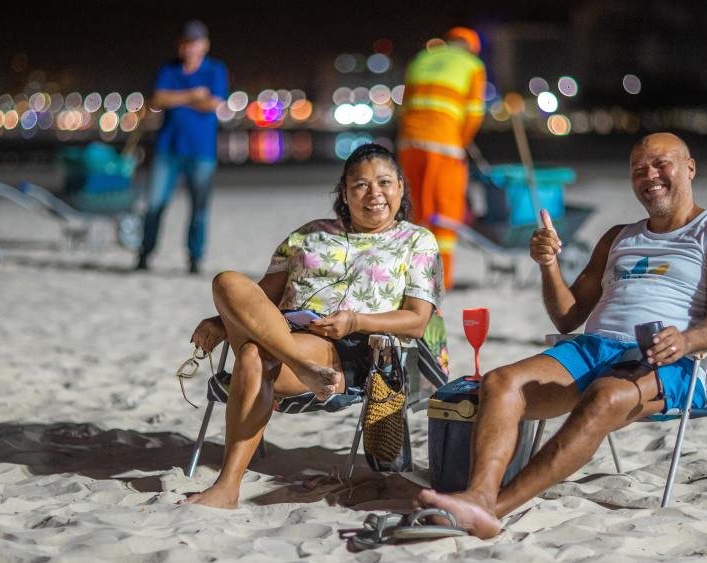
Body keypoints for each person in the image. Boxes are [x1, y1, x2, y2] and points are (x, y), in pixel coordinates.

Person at [416, 133, 707, 539]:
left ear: (690, 168)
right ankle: (479, 495)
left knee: (604, 396)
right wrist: (547, 264)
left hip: (669, 358)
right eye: (638, 169)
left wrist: (686, 341)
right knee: (500, 382)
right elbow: (567, 316)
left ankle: (493, 508)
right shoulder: (618, 236)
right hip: (593, 349)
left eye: (661, 164)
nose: (650, 176)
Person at [179, 143, 444, 509]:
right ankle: (302, 368)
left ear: (400, 186)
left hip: (344, 348)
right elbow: (259, 297)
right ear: (344, 193)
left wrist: (355, 320)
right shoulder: (308, 234)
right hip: (289, 337)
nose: (374, 194)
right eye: (360, 186)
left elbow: (417, 320)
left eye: (384, 182)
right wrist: (220, 321)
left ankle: (227, 486)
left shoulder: (417, 241)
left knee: (256, 355)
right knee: (226, 281)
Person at [397, 27, 486, 291]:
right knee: (445, 210)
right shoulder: (472, 64)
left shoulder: (421, 59)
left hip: (409, 142)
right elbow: (473, 112)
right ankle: (440, 281)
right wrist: (462, 142)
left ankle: (412, 276)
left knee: (415, 209)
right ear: (470, 47)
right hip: (444, 143)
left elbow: (404, 106)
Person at [137, 20, 229, 274]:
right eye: (185, 43)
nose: (189, 48)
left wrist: (178, 99)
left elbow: (213, 103)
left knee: (199, 208)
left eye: (194, 43)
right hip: (168, 149)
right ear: (179, 46)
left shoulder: (216, 70)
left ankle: (194, 259)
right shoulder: (168, 69)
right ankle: (144, 254)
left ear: (205, 45)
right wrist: (193, 95)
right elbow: (158, 99)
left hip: (202, 152)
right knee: (154, 205)